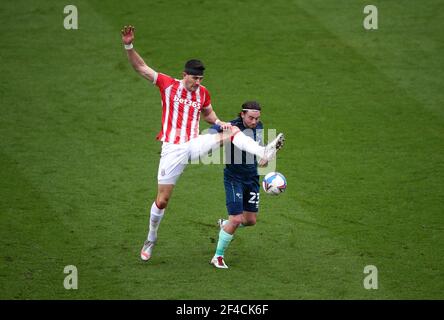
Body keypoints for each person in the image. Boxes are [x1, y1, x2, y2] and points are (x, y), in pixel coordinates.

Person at [120, 25, 285, 262]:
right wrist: (128, 44)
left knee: (232, 130)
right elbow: (140, 67)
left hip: (195, 142)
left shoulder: (203, 92)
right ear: (184, 74)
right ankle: (151, 238)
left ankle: (264, 150)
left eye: (200, 78)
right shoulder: (168, 85)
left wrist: (220, 123)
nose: (197, 82)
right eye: (194, 78)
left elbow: (208, 115)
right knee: (162, 200)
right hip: (173, 148)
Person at [210, 101, 278, 269]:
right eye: (251, 118)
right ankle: (218, 256)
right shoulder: (232, 126)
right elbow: (212, 131)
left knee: (250, 220)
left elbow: (257, 146)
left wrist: (264, 156)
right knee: (236, 218)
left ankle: (226, 225)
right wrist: (208, 142)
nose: (254, 121)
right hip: (234, 178)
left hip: (252, 177)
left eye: (257, 118)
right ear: (242, 114)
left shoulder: (259, 126)